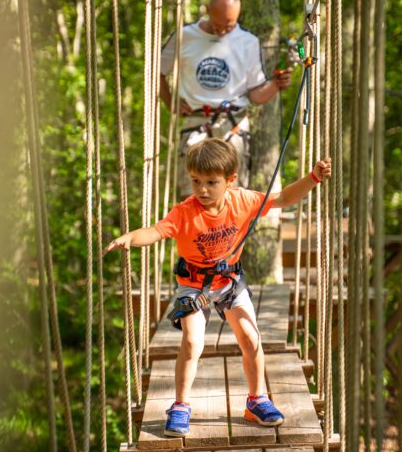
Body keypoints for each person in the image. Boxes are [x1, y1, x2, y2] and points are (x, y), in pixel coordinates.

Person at [103, 138, 331, 436]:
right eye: (196, 181)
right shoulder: (185, 212)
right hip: (194, 286)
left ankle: (256, 400)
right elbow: (157, 231)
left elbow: (283, 198)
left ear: (230, 181)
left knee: (250, 338)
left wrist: (313, 178)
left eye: (212, 182)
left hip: (229, 283)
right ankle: (181, 405)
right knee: (193, 342)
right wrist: (131, 237)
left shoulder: (243, 201)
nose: (203, 190)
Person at [159, 0, 292, 197]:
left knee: (232, 197)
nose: (222, 32)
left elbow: (255, 95)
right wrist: (171, 103)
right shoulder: (185, 36)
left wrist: (276, 84)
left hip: (233, 125)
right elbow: (155, 72)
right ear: (207, 11)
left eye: (228, 26)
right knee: (192, 195)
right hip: (196, 122)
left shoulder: (247, 42)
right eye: (218, 25)